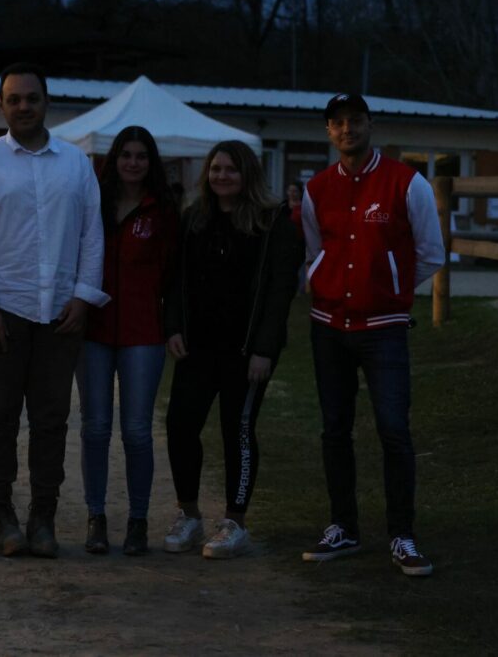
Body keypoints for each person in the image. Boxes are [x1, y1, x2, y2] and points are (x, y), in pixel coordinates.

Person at [0, 62, 108, 558]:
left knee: (50, 419)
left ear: (47, 102)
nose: (23, 106)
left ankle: (42, 516)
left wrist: (85, 296)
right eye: (13, 99)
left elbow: (92, 234)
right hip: (5, 310)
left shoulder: (75, 163)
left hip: (61, 313)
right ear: (1, 106)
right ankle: (1, 513)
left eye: (32, 98)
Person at [301, 93, 445, 577]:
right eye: (338, 123)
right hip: (328, 328)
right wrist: (327, 286)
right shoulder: (317, 189)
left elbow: (430, 252)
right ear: (328, 130)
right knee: (334, 429)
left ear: (370, 124)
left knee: (394, 430)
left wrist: (390, 287)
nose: (348, 130)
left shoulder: (407, 183)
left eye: (356, 121)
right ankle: (343, 526)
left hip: (383, 330)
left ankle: (402, 534)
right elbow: (314, 250)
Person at [162, 140, 303, 559]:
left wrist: (264, 348)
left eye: (231, 169)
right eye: (216, 168)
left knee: (236, 431)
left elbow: (281, 291)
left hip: (246, 350)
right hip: (198, 347)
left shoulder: (272, 222)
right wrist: (173, 326)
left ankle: (235, 522)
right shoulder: (194, 219)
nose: (222, 176)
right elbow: (175, 280)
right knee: (180, 426)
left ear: (248, 175)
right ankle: (189, 515)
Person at [77, 126, 179, 556]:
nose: (133, 163)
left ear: (150, 162)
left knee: (137, 431)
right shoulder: (93, 204)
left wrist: (173, 326)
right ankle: (96, 517)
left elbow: (174, 276)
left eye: (141, 156)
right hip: (93, 331)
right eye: (126, 155)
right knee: (95, 428)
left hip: (143, 334)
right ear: (113, 160)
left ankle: (138, 521)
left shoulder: (162, 211)